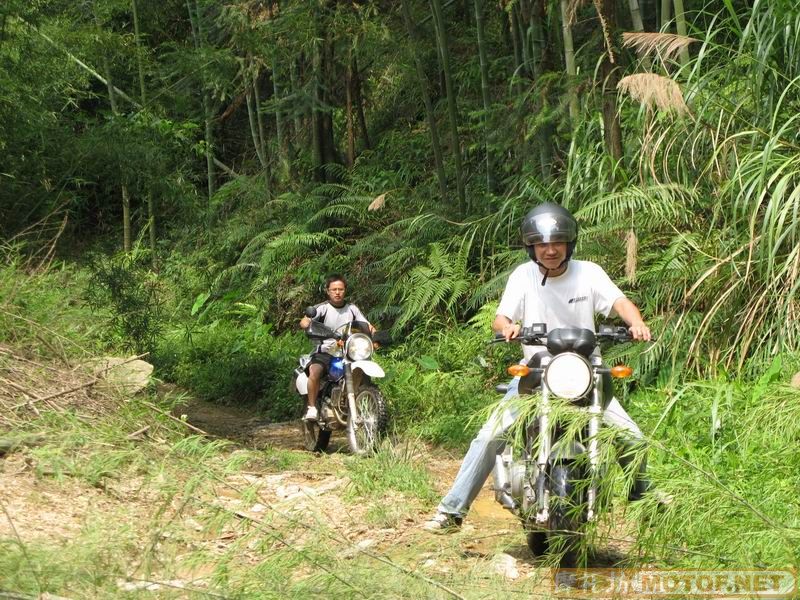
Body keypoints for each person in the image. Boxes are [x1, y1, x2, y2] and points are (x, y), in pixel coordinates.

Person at [424, 202, 655, 531]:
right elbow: (501, 317)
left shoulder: (589, 272)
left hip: (585, 372)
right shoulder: (523, 276)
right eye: (542, 244)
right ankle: (453, 510)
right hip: (536, 371)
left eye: (557, 242)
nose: (550, 250)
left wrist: (637, 323)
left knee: (632, 437)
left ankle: (643, 503)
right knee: (490, 435)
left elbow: (619, 302)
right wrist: (506, 328)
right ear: (531, 247)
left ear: (569, 244)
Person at [299, 274, 375, 421]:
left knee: (364, 372)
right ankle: (312, 407)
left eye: (340, 289)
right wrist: (307, 324)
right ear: (328, 291)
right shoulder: (322, 308)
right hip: (326, 350)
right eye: (334, 289)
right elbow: (305, 320)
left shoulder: (352, 309)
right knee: (315, 371)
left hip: (349, 351)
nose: (337, 292)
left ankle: (363, 404)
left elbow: (367, 325)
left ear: (345, 290)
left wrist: (376, 336)